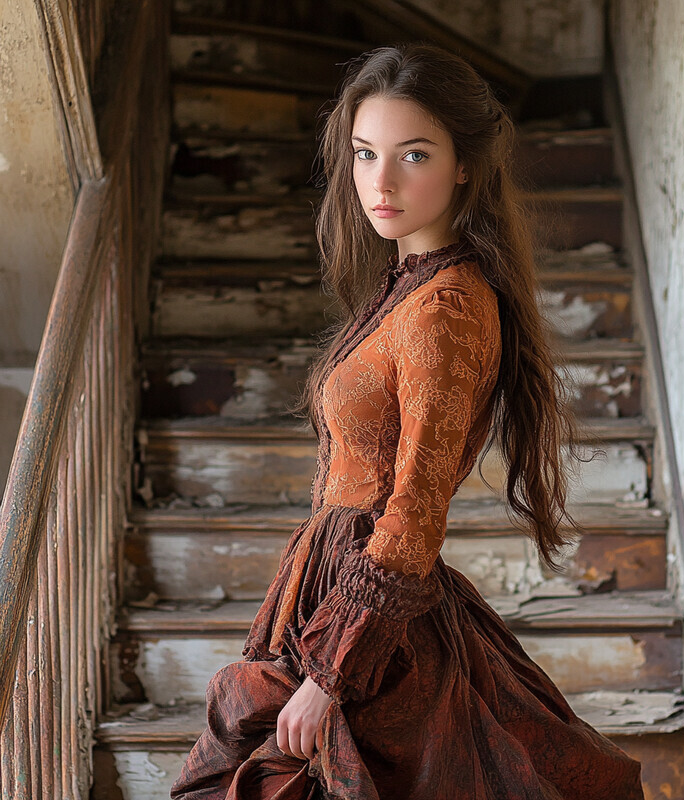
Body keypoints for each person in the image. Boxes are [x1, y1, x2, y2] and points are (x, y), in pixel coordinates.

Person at [170, 43, 646, 800]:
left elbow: (417, 510)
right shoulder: (411, 285)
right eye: (364, 154)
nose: (379, 182)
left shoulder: (445, 309)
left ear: (465, 166)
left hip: (372, 621)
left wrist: (332, 674)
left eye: (412, 155)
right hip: (332, 589)